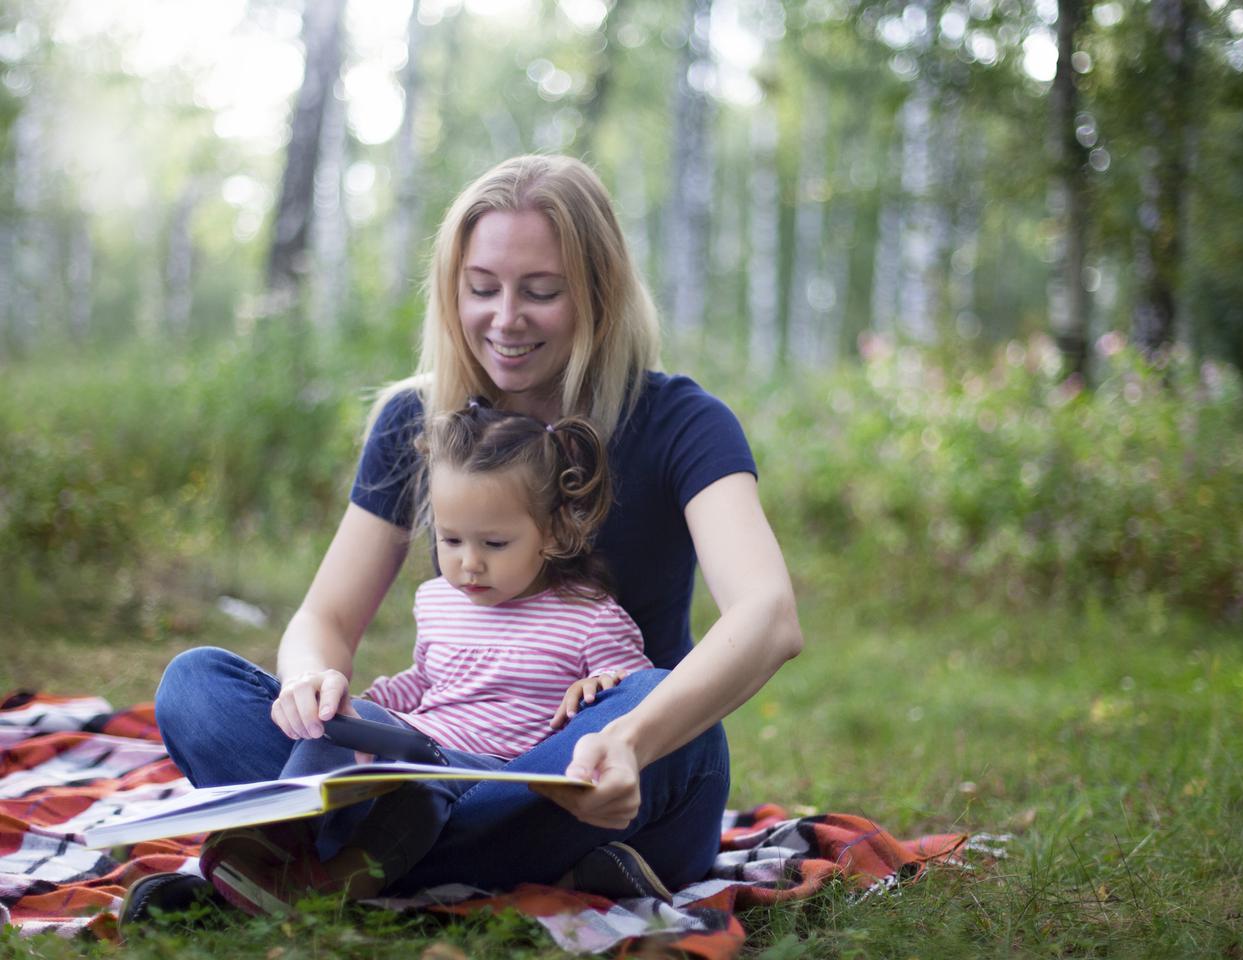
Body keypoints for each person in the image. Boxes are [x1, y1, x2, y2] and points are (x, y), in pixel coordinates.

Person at [135, 153, 802, 921]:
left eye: (541, 292)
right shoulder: (415, 423)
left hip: (604, 771)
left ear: (601, 293)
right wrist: (309, 681)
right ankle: (443, 868)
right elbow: (325, 620)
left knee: (656, 696)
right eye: (482, 288)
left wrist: (632, 737)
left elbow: (768, 616)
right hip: (438, 762)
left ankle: (325, 869)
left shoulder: (685, 423)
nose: (505, 317)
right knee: (197, 688)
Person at [195, 401, 654, 915]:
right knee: (233, 690)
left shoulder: (589, 616)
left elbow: (638, 695)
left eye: (495, 543)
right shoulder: (438, 599)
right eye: (451, 539)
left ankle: (335, 884)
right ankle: (275, 843)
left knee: (417, 783)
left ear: (553, 533)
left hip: (495, 780)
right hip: (412, 751)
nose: (469, 562)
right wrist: (354, 703)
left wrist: (599, 686)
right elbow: (428, 681)